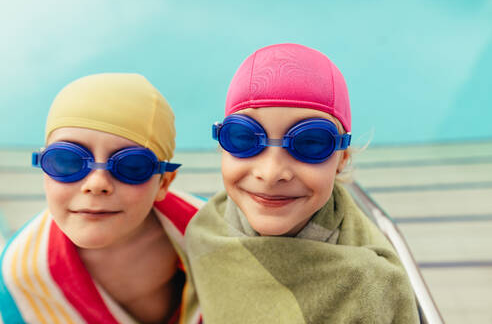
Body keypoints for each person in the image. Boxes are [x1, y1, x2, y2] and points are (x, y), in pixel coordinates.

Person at [183, 43, 420, 323]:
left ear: (342, 158)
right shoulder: (205, 230)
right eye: (244, 137)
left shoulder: (370, 281)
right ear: (223, 146)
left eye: (310, 143)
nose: (271, 173)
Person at [0, 73, 203, 324]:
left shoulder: (218, 236)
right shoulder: (22, 272)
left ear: (164, 182)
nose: (97, 184)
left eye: (132, 166)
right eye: (67, 160)